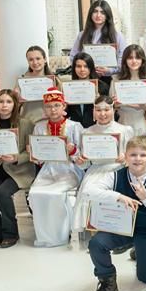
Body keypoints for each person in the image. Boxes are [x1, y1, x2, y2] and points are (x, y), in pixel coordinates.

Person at [85, 136, 146, 291]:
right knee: (96, 243)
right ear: (126, 156)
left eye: (143, 155)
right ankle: (107, 280)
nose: (138, 159)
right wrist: (118, 196)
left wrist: (145, 197)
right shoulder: (115, 176)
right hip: (120, 228)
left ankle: (139, 249)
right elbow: (89, 191)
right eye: (133, 154)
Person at [28, 87, 84, 247]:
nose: (53, 110)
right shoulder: (39, 127)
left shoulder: (74, 126)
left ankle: (61, 234)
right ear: (44, 108)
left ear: (63, 106)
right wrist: (34, 154)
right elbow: (38, 159)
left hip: (69, 169)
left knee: (56, 194)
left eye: (56, 105)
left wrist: (72, 150)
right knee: (36, 193)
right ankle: (44, 235)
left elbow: (83, 155)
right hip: (47, 170)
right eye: (49, 106)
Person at [0, 90, 35, 249]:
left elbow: (31, 152)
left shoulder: (26, 124)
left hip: (18, 171)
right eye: (1, 102)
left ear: (15, 105)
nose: (4, 105)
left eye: (8, 102)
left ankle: (10, 233)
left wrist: (16, 158)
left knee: (2, 193)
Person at [72, 96, 134, 239]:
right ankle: (96, 229)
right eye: (98, 110)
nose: (103, 113)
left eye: (106, 109)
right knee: (89, 191)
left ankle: (117, 229)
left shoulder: (124, 130)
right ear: (93, 112)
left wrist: (125, 158)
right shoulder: (87, 132)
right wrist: (81, 161)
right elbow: (86, 164)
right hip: (96, 170)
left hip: (118, 169)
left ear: (113, 110)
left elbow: (134, 156)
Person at [112, 44, 146, 136]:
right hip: (123, 123)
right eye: (130, 58)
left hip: (144, 124)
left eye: (137, 58)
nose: (134, 61)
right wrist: (114, 104)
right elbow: (111, 107)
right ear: (125, 60)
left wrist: (143, 106)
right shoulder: (116, 80)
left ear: (143, 60)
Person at [70, 0, 127, 78]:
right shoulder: (82, 35)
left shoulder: (117, 36)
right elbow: (73, 56)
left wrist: (110, 70)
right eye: (95, 11)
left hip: (109, 78)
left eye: (102, 12)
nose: (98, 15)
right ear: (91, 14)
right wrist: (83, 69)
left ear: (107, 15)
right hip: (86, 78)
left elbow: (122, 59)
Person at [65, 53, 110, 128]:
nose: (82, 69)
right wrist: (65, 106)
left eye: (86, 66)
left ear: (91, 68)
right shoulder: (69, 87)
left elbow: (108, 112)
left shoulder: (102, 87)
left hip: (96, 127)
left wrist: (99, 102)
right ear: (74, 68)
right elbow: (67, 114)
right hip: (75, 128)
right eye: (78, 66)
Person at [16, 45, 56, 124]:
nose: (35, 62)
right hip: (27, 121)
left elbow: (61, 104)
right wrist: (16, 97)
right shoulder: (22, 81)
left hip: (49, 121)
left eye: (38, 58)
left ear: (45, 59)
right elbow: (16, 105)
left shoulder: (54, 80)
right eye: (31, 59)